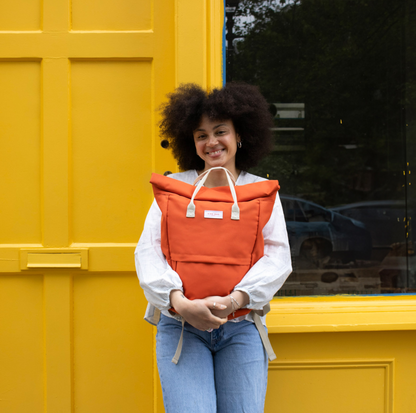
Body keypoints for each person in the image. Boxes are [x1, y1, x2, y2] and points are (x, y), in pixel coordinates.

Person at [135, 82, 292, 413]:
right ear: (190, 142)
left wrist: (235, 300)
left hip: (242, 329)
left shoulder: (262, 192)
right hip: (181, 329)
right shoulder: (173, 189)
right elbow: (149, 253)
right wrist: (180, 303)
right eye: (201, 135)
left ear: (239, 136)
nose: (211, 142)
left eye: (220, 131)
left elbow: (277, 258)